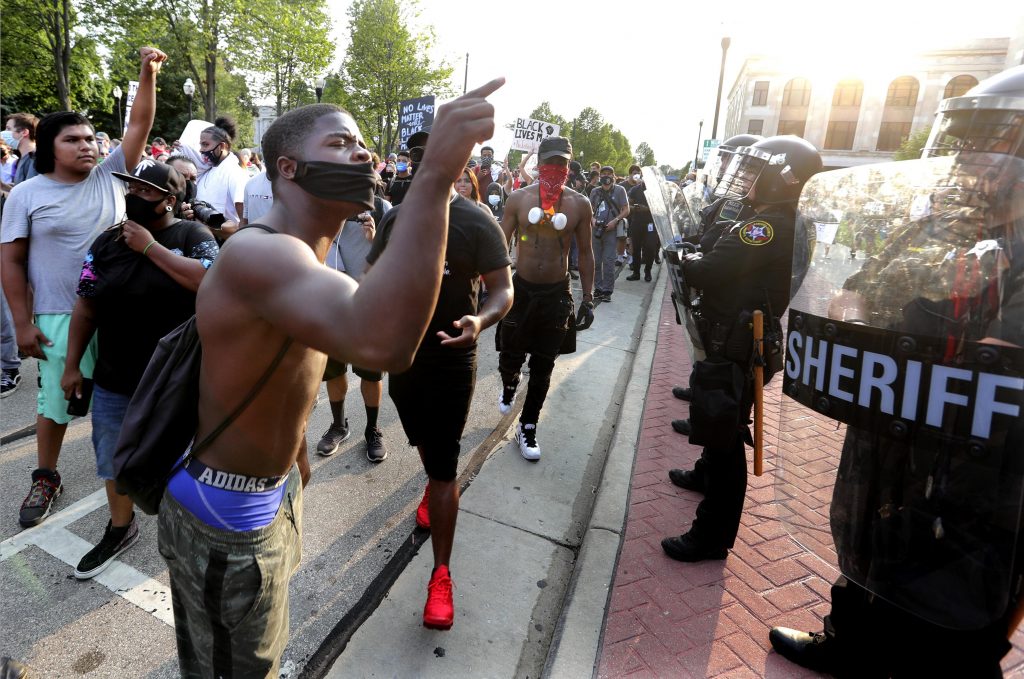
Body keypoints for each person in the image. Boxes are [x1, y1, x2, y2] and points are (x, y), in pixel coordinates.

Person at [156, 79, 503, 676]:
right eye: (341, 143)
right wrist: (435, 176)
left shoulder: (305, 253)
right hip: (228, 521)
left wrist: (292, 454)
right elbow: (385, 344)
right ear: (288, 168)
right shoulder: (262, 253)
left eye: (363, 144)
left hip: (267, 498)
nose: (363, 154)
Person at [770, 64, 1024, 678]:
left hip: (980, 466)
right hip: (892, 433)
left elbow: (994, 359)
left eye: (988, 143)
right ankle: (846, 643)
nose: (967, 159)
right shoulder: (935, 231)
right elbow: (858, 293)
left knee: (954, 601)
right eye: (964, 142)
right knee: (866, 545)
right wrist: (858, 322)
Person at [1, 47, 164, 529]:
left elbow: (139, 123)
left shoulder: (111, 174)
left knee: (129, 402)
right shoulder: (27, 194)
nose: (87, 146)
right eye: (73, 139)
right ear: (49, 147)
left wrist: (147, 74)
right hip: (57, 316)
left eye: (91, 138)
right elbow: (11, 261)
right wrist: (22, 323)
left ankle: (133, 478)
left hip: (121, 316)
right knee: (55, 406)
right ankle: (46, 476)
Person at [368, 128, 513, 630]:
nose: (421, 167)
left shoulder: (477, 221)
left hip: (453, 356)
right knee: (427, 447)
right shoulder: (397, 218)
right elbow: (372, 277)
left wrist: (481, 320)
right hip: (403, 358)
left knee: (445, 465)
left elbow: (503, 290)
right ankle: (434, 481)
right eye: (416, 159)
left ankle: (441, 574)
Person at [660, 135, 822, 562]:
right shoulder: (782, 221)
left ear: (781, 178)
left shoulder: (768, 225)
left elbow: (712, 270)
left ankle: (711, 535)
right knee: (720, 424)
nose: (747, 179)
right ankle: (704, 476)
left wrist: (685, 260)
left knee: (725, 436)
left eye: (757, 171)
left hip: (736, 344)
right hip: (741, 340)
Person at [61, 160, 218, 579]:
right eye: (130, 189)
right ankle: (120, 528)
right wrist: (72, 364)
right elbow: (86, 304)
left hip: (178, 379)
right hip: (115, 376)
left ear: (169, 200)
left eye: (144, 191)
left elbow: (209, 281)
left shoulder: (192, 235)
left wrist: (149, 247)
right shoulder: (107, 242)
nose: (133, 196)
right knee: (114, 458)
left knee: (185, 460)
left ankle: (192, 532)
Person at [498, 136, 596, 460]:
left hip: (556, 294)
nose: (555, 168)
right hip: (521, 290)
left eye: (561, 163)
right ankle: (509, 382)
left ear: (569, 166)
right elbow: (500, 244)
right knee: (510, 354)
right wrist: (493, 287)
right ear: (539, 163)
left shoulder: (580, 204)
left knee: (544, 364)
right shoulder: (518, 198)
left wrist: (588, 297)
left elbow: (586, 253)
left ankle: (527, 425)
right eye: (550, 161)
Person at [317, 194, 392, 463]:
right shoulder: (325, 205)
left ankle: (372, 429)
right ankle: (339, 425)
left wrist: (375, 240)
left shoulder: (382, 208)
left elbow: (397, 260)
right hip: (333, 303)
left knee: (370, 373)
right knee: (334, 370)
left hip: (369, 304)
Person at [177, 116, 249, 238]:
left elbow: (244, 222)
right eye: (201, 145)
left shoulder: (235, 173)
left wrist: (201, 226)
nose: (201, 150)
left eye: (205, 145)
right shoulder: (207, 171)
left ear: (222, 146)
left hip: (226, 244)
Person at [589, 165, 629, 302]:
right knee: (596, 261)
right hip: (596, 230)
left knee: (608, 261)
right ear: (600, 176)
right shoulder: (595, 191)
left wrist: (615, 221)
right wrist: (592, 220)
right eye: (603, 173)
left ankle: (607, 290)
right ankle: (598, 288)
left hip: (611, 231)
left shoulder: (620, 190)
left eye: (609, 173)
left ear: (613, 176)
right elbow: (590, 209)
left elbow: (626, 209)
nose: (606, 176)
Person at [625, 173, 658, 282]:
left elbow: (660, 208)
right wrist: (635, 208)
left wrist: (647, 209)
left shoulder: (655, 190)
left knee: (650, 248)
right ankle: (636, 273)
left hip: (651, 223)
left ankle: (648, 271)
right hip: (637, 222)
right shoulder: (635, 189)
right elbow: (628, 205)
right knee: (636, 248)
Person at [5, 112, 39, 185]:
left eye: (8, 129)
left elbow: (31, 190)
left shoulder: (35, 158)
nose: (4, 133)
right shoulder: (23, 158)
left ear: (24, 132)